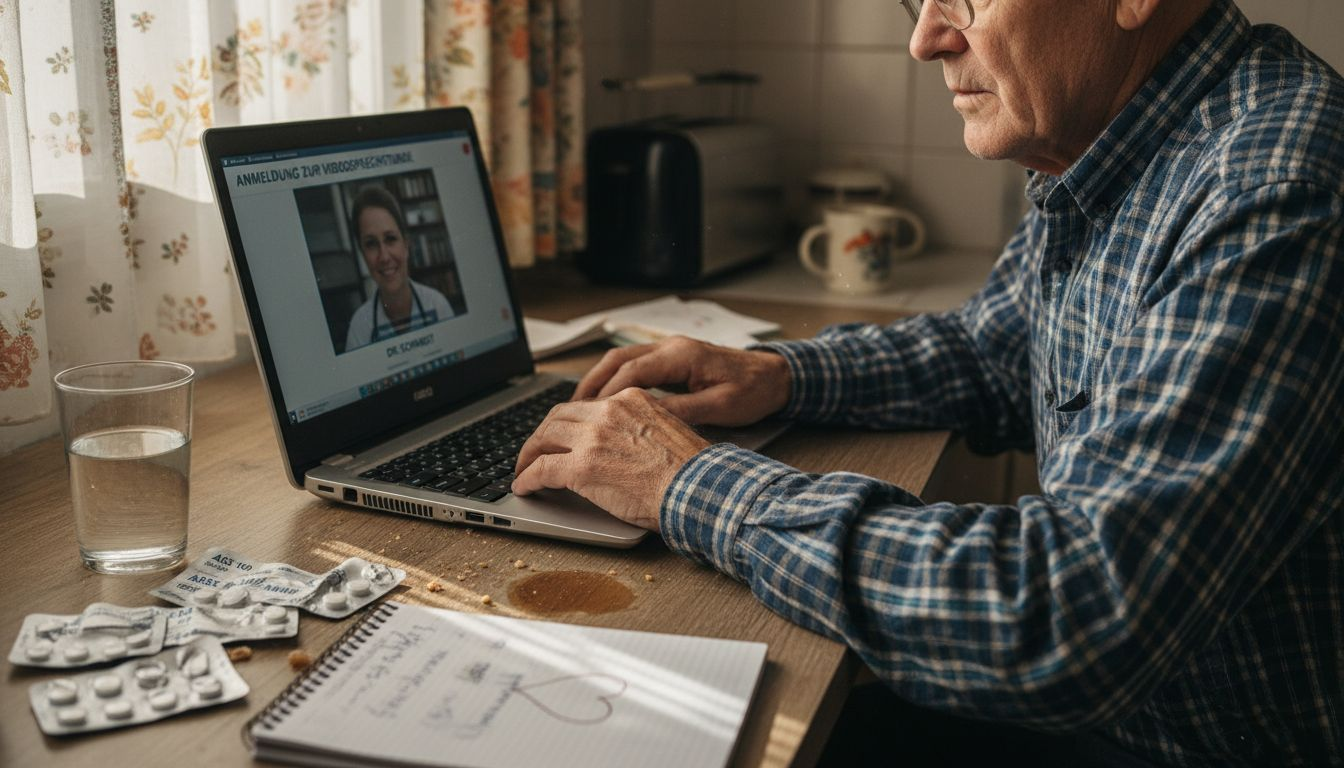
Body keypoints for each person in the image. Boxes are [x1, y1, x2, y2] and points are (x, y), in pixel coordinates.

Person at [511, 0, 1344, 764]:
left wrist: (687, 483)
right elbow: (995, 350)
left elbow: (1068, 615)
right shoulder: (1119, 142)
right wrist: (781, 374)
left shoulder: (1279, 187)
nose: (925, 40)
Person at [343, 185, 455, 352]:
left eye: (390, 239)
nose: (384, 257)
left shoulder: (438, 306)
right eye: (371, 244)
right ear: (363, 254)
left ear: (406, 245)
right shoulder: (360, 328)